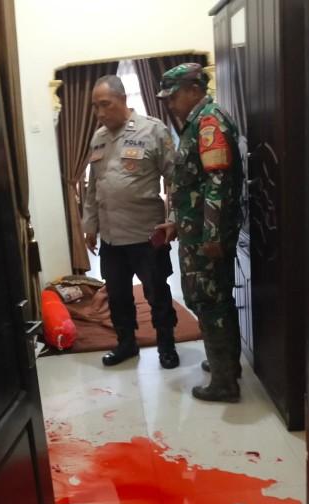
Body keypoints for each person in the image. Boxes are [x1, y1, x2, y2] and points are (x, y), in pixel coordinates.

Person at [154, 63, 244, 401]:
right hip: (197, 232)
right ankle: (226, 365)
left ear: (194, 90)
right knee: (214, 299)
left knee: (209, 301)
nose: (170, 103)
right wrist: (176, 222)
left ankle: (224, 383)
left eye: (173, 96)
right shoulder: (197, 122)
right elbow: (192, 184)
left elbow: (217, 182)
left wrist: (212, 235)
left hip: (206, 237)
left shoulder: (208, 122)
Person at [82, 75, 179, 369]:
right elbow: (93, 186)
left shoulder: (153, 130)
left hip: (146, 234)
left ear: (123, 100)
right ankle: (126, 344)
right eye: (95, 106)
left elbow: (176, 180)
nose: (100, 113)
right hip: (112, 237)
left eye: (105, 104)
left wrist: (174, 219)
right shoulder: (98, 138)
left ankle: (166, 345)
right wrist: (90, 225)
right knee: (118, 296)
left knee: (157, 293)